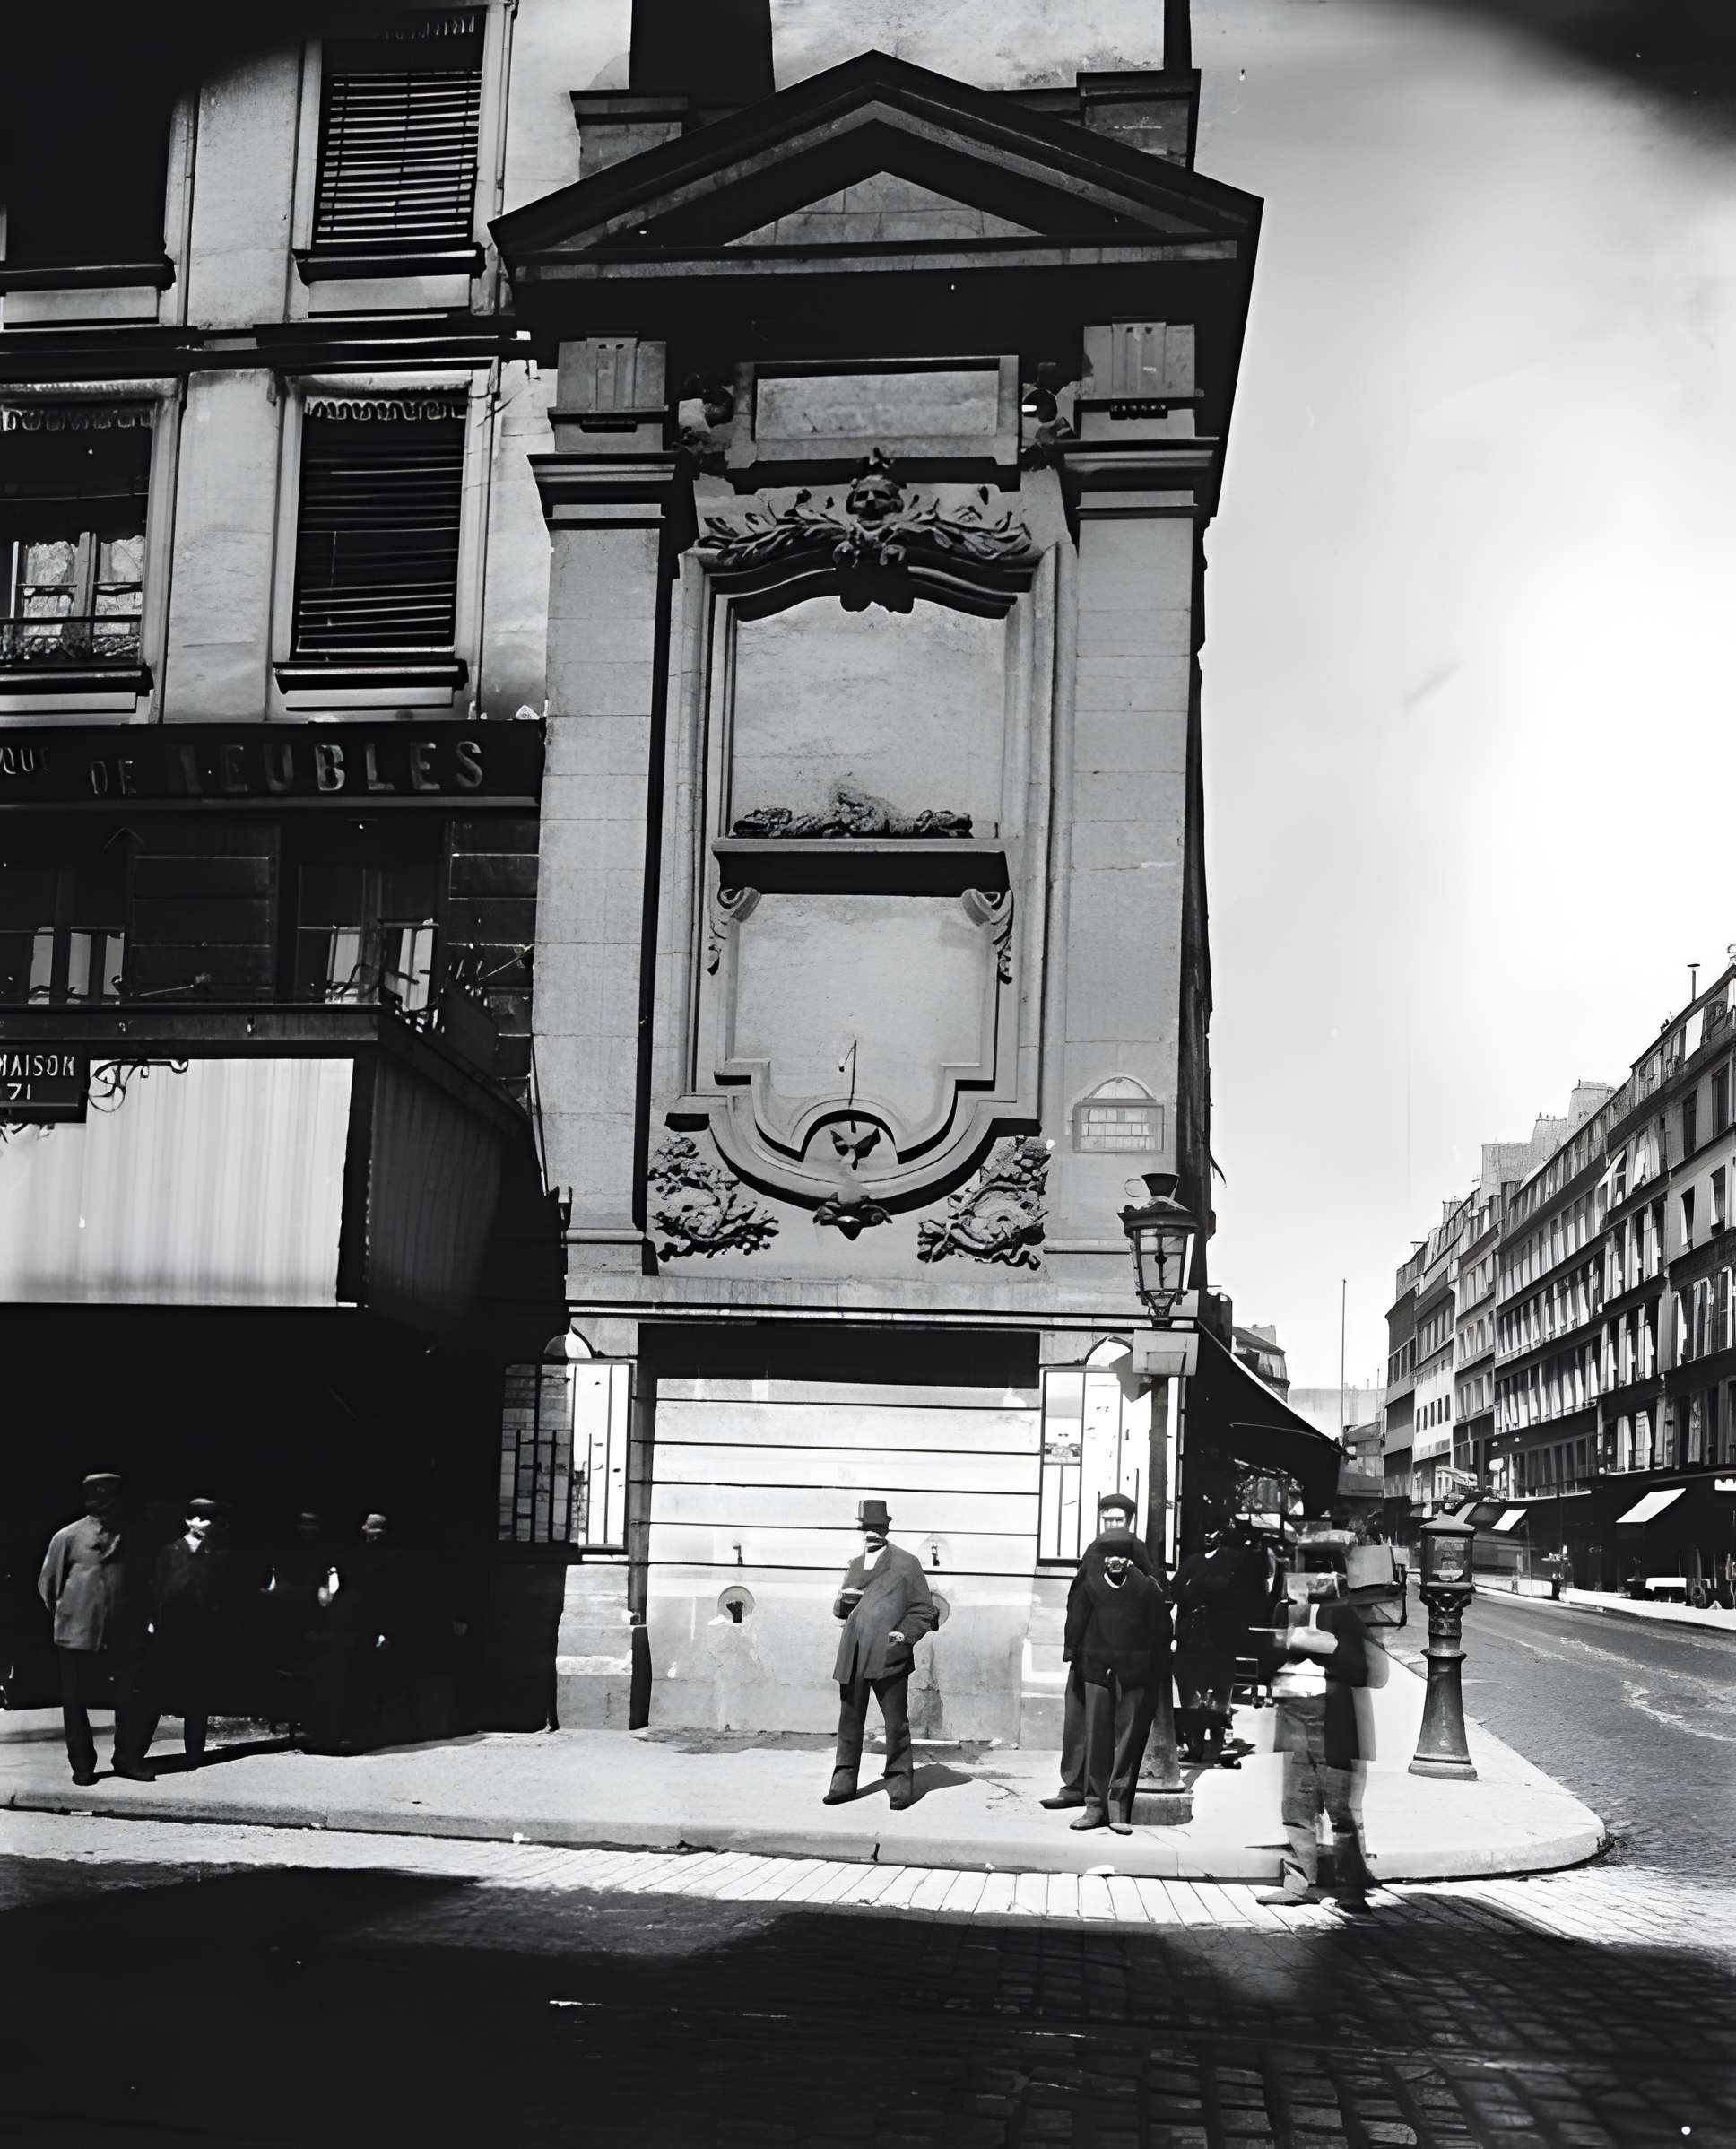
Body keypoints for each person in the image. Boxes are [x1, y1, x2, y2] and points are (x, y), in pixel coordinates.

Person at [1255, 1576, 1378, 1913]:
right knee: (1296, 1807)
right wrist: (1286, 1642)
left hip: (1332, 1718)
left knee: (1339, 1809)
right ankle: (1299, 1883)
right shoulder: (1284, 1611)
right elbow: (1264, 1664)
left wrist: (1327, 1646)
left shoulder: (1343, 1614)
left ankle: (1351, 1889)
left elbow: (1362, 1670)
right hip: (1294, 1711)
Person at [1041, 1492, 1159, 1812]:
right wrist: (1073, 1645)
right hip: (1086, 1650)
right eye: (1107, 1519)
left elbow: (1155, 1597)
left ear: (1130, 1521)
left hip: (1116, 1657)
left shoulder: (1134, 1550)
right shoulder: (1095, 1549)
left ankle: (1100, 1795)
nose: (1112, 1525)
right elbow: (1078, 1596)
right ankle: (1073, 1786)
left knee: (1103, 1727)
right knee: (1076, 1723)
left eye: (1118, 1519)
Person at [37, 1474, 155, 1786]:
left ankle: (127, 1759)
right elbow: (48, 1586)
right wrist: (74, 1616)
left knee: (130, 1695)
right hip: (77, 1634)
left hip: (122, 1634)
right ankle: (82, 1765)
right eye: (99, 1499)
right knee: (75, 1700)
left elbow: (141, 1583)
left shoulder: (132, 1537)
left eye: (113, 1499)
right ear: (89, 1501)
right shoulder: (67, 1537)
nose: (107, 1505)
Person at [824, 1499, 939, 1812]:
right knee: (849, 1718)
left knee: (895, 1721)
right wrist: (845, 1601)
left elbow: (924, 1609)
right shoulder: (855, 1564)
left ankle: (900, 1779)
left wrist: (902, 1636)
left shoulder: (906, 1563)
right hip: (854, 1653)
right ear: (860, 1530)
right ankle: (844, 1779)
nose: (871, 1533)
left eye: (877, 1527)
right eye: (866, 1527)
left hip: (888, 1655)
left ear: (887, 1528)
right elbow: (840, 1610)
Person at [1062, 1527, 1171, 1834]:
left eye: (1122, 1555)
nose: (1116, 1561)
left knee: (1128, 1744)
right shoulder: (1090, 1586)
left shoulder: (1147, 1589)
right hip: (1097, 1673)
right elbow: (1076, 1626)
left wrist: (1147, 1666)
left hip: (1134, 1677)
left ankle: (1119, 1810)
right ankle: (1094, 1807)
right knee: (1097, 1741)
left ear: (1132, 1559)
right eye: (1110, 1555)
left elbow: (1162, 1632)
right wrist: (1081, 1661)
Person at [148, 1498, 242, 1765]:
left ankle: (194, 1752)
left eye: (207, 1519)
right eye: (196, 1518)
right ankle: (137, 1751)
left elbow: (224, 1594)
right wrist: (154, 1621)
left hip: (203, 1632)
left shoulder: (219, 1554)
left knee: (198, 1692)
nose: (201, 1524)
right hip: (171, 1630)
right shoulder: (170, 1551)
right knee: (157, 1689)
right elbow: (157, 1590)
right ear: (186, 1520)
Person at [1172, 1519, 1264, 1768]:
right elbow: (1178, 1590)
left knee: (1221, 1691)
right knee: (1190, 1690)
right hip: (1192, 1636)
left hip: (1221, 1637)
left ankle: (1218, 1743)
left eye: (1212, 1531)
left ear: (1222, 1534)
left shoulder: (1235, 1561)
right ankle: (1195, 1744)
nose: (1208, 1536)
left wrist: (1201, 1587)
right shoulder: (1192, 1562)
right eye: (1205, 1531)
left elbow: (1237, 1594)